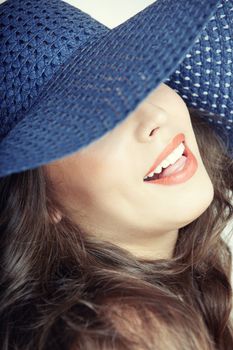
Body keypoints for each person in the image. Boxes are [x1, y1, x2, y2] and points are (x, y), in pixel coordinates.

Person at [0, 0, 233, 349]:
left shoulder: (194, 278)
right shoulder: (118, 333)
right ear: (43, 201)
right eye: (95, 121)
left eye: (141, 78)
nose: (152, 117)